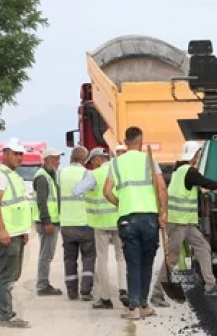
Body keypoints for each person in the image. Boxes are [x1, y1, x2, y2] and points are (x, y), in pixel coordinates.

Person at [103, 126, 168, 320]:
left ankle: (133, 308)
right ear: (141, 142)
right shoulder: (149, 161)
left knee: (133, 262)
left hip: (128, 219)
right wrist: (163, 212)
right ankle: (144, 304)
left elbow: (106, 191)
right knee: (147, 262)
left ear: (125, 140)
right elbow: (162, 188)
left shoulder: (116, 163)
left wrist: (120, 203)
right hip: (149, 218)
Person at [157, 140, 217, 299]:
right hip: (178, 223)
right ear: (194, 155)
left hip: (186, 223)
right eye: (198, 154)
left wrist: (212, 189)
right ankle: (157, 292)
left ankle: (210, 285)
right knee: (172, 257)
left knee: (203, 247)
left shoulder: (179, 171)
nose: (198, 157)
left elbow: (194, 187)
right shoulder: (189, 171)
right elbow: (204, 181)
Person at [0, 138, 33, 327]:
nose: (19, 157)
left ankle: (0, 313)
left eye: (21, 154)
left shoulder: (14, 176)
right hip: (7, 234)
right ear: (5, 153)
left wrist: (24, 231)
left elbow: (19, 206)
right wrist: (2, 230)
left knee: (12, 274)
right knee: (7, 275)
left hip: (16, 233)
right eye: (15, 153)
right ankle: (5, 315)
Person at [85, 147, 128, 309]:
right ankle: (123, 289)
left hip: (101, 222)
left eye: (92, 162)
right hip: (119, 219)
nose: (92, 165)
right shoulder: (119, 170)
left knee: (102, 258)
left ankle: (105, 297)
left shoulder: (93, 175)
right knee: (121, 256)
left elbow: (77, 190)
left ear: (97, 159)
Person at [57, 146, 98, 300]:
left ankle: (71, 291)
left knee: (69, 258)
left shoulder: (61, 173)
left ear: (71, 158)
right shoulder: (88, 174)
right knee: (88, 257)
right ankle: (86, 290)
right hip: (85, 222)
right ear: (85, 160)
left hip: (67, 223)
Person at [32, 148, 63, 296]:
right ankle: (42, 284)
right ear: (46, 159)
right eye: (55, 158)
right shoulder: (43, 177)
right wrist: (48, 222)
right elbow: (42, 202)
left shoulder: (49, 175)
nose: (58, 162)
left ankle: (43, 283)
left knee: (47, 253)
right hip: (47, 223)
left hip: (51, 221)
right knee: (46, 254)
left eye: (58, 159)